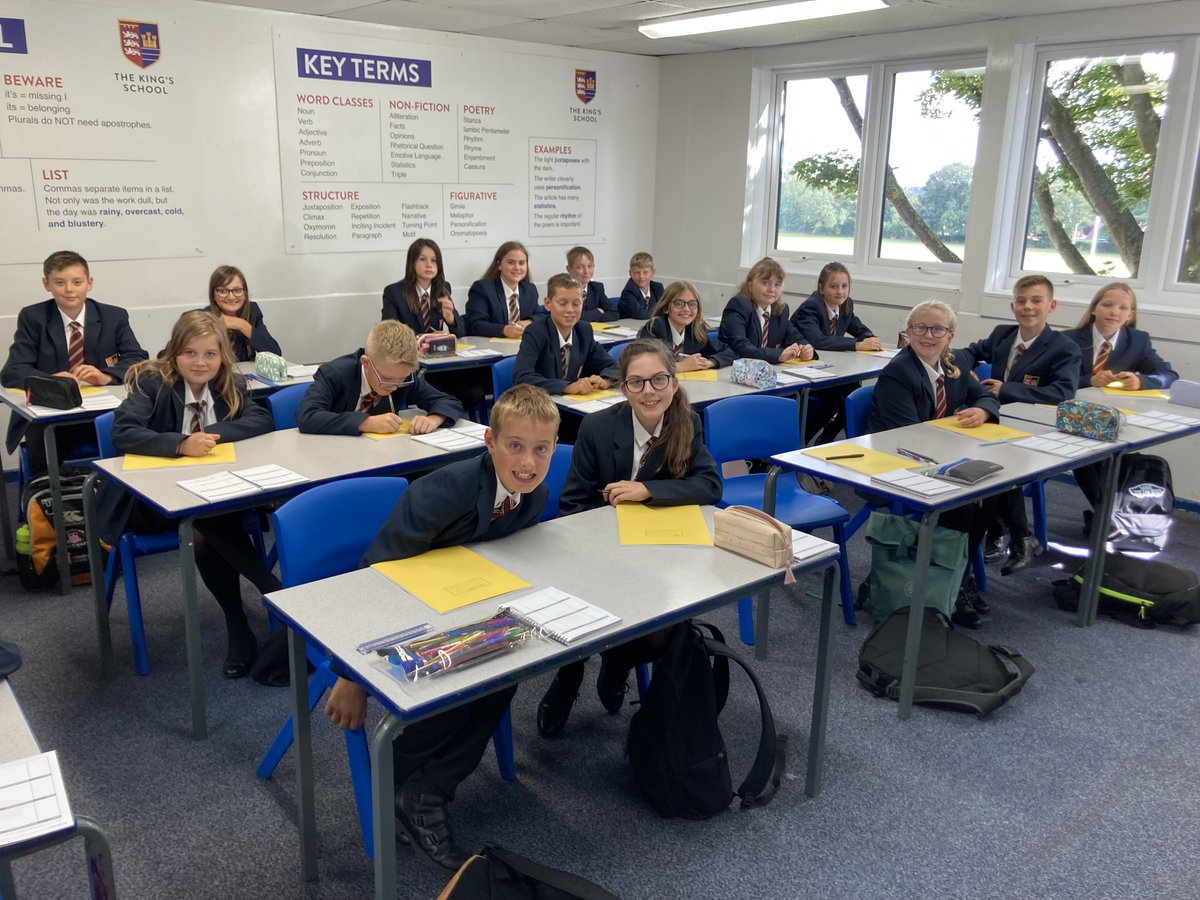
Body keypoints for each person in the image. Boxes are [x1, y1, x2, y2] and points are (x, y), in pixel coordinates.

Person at [323, 384, 560, 874]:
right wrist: (349, 674)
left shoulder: (533, 496)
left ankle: (423, 791)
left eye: (541, 449)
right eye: (515, 446)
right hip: (395, 613)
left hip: (460, 606)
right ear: (489, 441)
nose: (528, 462)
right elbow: (375, 577)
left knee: (508, 666)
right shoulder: (441, 491)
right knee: (467, 676)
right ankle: (401, 775)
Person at [536, 340, 722, 736]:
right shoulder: (599, 427)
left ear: (673, 383)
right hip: (597, 548)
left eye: (658, 379)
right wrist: (608, 542)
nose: (649, 391)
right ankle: (568, 676)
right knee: (582, 604)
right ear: (623, 389)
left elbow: (709, 484)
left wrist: (649, 491)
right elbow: (573, 504)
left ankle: (616, 664)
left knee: (664, 628)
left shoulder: (686, 422)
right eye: (636, 382)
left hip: (657, 552)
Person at [94, 310, 276, 677]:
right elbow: (123, 433)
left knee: (205, 518)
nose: (200, 362)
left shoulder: (229, 384)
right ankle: (274, 592)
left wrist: (211, 436)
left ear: (222, 356)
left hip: (208, 497)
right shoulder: (151, 382)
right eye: (191, 353)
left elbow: (262, 419)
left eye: (210, 354)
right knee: (204, 519)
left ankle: (239, 623)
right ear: (175, 353)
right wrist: (180, 444)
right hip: (147, 501)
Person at [868, 300, 1001, 627]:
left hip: (938, 456)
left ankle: (959, 575)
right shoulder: (898, 373)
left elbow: (984, 395)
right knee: (964, 503)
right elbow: (914, 437)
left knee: (994, 491)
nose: (928, 335)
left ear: (950, 335)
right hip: (898, 462)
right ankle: (949, 585)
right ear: (908, 333)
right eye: (919, 328)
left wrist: (981, 411)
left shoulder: (951, 365)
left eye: (937, 329)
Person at [959, 275, 1080, 575]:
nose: (1028, 307)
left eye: (1036, 301)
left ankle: (1018, 536)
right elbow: (969, 352)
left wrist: (1006, 389)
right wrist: (966, 370)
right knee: (979, 459)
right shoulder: (1002, 334)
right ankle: (1002, 531)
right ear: (1012, 306)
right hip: (997, 421)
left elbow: (1063, 393)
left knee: (1001, 464)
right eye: (1021, 301)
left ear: (1051, 306)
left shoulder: (1064, 347)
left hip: (1037, 428)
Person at [2, 250, 148, 474]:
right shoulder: (34, 318)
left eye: (77, 282)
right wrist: (50, 380)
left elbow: (138, 359)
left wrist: (106, 375)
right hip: (50, 420)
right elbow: (12, 371)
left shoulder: (113, 316)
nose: (69, 289)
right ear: (46, 284)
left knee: (134, 432)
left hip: (102, 413)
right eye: (60, 282)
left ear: (89, 283)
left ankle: (113, 497)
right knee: (43, 448)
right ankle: (49, 501)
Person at [1064, 281, 1178, 515]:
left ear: (1130, 314)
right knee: (1086, 458)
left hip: (1114, 421)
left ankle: (1109, 517)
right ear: (1094, 308)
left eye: (1123, 308)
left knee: (1106, 458)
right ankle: (1111, 517)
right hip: (1073, 419)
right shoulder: (1069, 340)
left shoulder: (1138, 341)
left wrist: (1141, 381)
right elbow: (1052, 379)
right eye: (1107, 305)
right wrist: (1089, 380)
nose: (1114, 312)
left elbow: (1168, 375)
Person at [296, 320, 462, 435]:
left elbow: (449, 402)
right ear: (366, 363)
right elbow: (308, 417)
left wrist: (434, 419)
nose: (394, 386)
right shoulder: (335, 373)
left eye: (401, 379)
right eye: (386, 378)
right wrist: (365, 423)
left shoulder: (400, 375)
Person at [791, 262, 882, 444]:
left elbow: (857, 326)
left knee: (857, 395)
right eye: (833, 286)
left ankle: (832, 438)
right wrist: (858, 345)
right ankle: (810, 441)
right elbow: (818, 341)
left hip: (832, 369)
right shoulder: (811, 307)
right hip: (804, 369)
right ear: (821, 288)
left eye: (844, 286)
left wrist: (871, 339)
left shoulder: (846, 304)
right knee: (839, 398)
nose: (840, 292)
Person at [512, 273, 619, 396]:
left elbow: (613, 366)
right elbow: (522, 377)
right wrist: (567, 387)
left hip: (572, 405)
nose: (570, 310)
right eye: (562, 303)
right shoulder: (536, 332)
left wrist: (605, 380)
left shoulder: (583, 331)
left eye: (576, 304)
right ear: (548, 304)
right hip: (541, 406)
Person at [718, 256, 815, 364]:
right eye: (765, 283)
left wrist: (806, 348)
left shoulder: (781, 311)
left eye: (777, 284)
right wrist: (778, 355)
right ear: (750, 285)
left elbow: (795, 337)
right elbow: (741, 347)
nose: (772, 289)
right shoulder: (739, 306)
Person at [638, 280, 735, 370]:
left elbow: (730, 352)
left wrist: (710, 362)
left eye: (692, 304)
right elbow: (645, 364)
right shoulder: (655, 327)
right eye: (679, 303)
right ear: (666, 308)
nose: (687, 309)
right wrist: (681, 367)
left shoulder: (695, 330)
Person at [381, 238, 463, 337]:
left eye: (434, 260)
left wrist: (451, 320)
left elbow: (462, 334)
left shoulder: (443, 288)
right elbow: (389, 335)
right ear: (412, 263)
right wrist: (424, 338)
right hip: (409, 351)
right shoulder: (394, 293)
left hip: (437, 351)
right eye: (422, 259)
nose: (429, 265)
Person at [205, 265, 282, 362]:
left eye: (237, 290)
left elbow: (275, 354)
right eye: (223, 291)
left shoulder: (253, 311)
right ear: (213, 295)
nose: (231, 297)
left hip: (245, 374)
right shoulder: (203, 318)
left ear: (245, 293)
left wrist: (242, 325)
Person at [465, 241, 541, 338]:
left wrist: (530, 321)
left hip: (523, 346)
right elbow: (475, 324)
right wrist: (504, 330)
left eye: (522, 263)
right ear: (499, 264)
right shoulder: (482, 288)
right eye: (511, 262)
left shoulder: (530, 290)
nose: (517, 268)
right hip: (491, 347)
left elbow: (541, 316)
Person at [566, 246, 618, 322]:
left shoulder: (596, 288)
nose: (586, 271)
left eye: (590, 266)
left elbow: (614, 313)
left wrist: (586, 316)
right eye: (580, 267)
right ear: (569, 269)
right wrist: (596, 313)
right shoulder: (564, 290)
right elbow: (569, 317)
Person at [618, 251, 664, 319]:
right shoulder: (628, 292)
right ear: (630, 273)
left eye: (645, 272)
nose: (641, 276)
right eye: (637, 272)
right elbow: (641, 314)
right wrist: (660, 310)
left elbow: (667, 309)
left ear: (653, 272)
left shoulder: (658, 288)